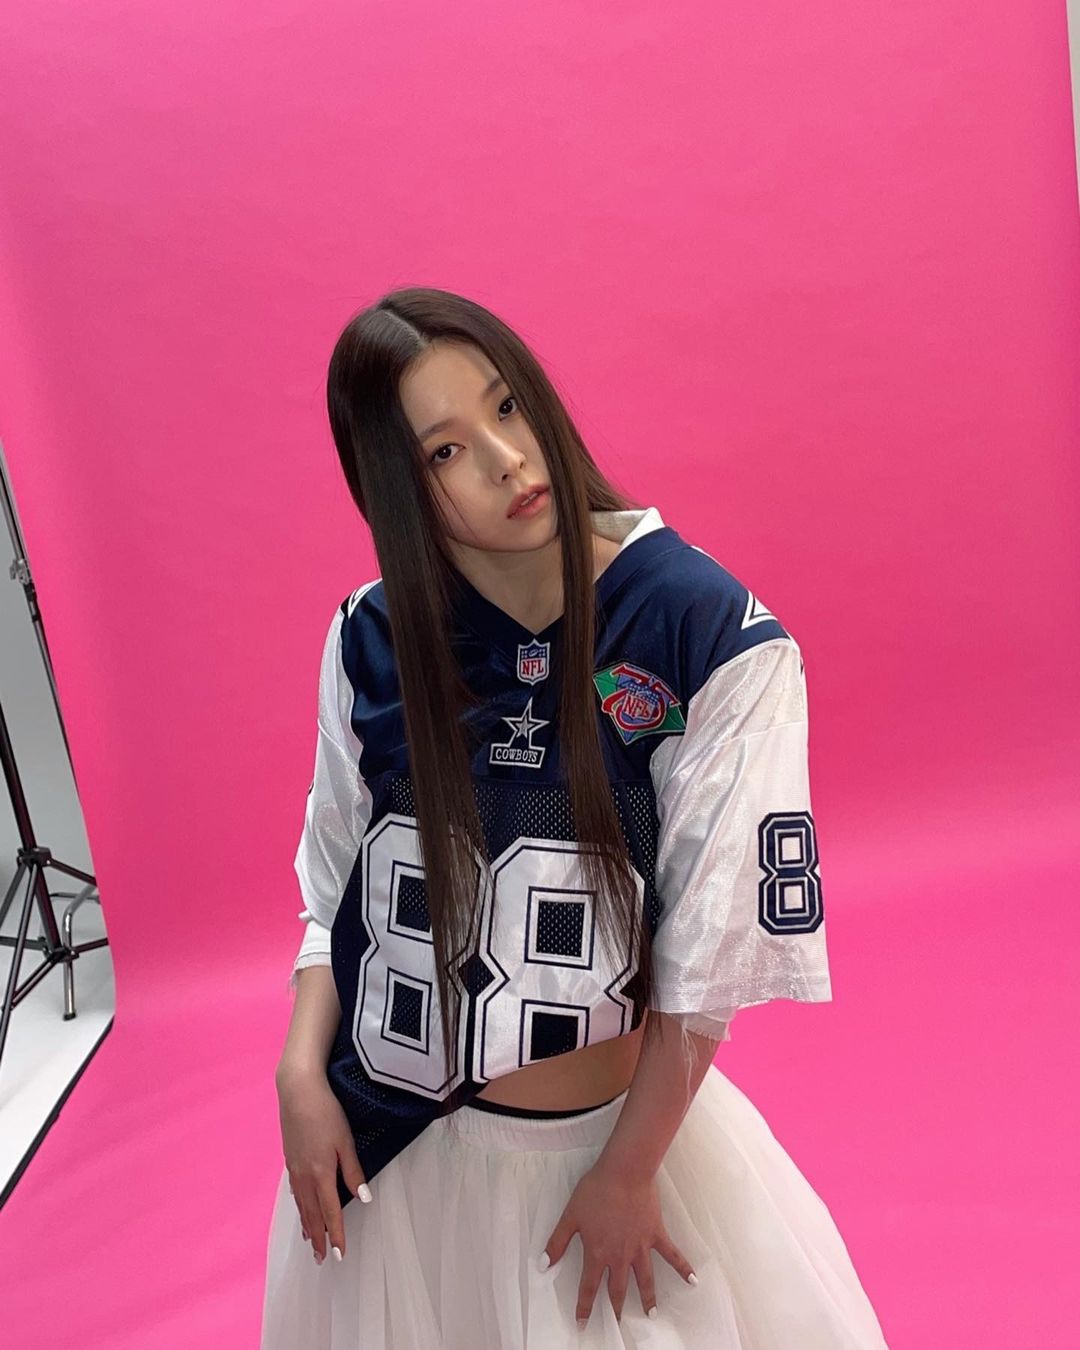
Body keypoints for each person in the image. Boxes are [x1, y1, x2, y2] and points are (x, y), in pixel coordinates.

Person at [260, 286, 890, 1348]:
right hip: (392, 1157)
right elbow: (334, 887)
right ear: (394, 488)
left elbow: (707, 963)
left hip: (602, 1157)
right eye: (446, 451)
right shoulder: (370, 635)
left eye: (507, 406)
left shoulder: (704, 633)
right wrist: (297, 1072)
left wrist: (629, 1172)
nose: (509, 460)